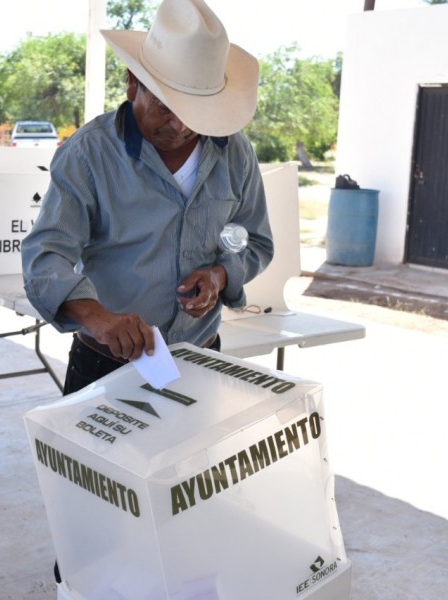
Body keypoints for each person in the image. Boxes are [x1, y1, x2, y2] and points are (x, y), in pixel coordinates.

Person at [22, 0, 274, 396]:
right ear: (132, 82)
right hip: (107, 365)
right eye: (167, 107)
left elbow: (256, 240)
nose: (181, 126)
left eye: (197, 112)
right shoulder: (89, 154)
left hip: (200, 358)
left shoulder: (235, 153)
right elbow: (45, 256)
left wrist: (219, 275)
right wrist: (98, 316)